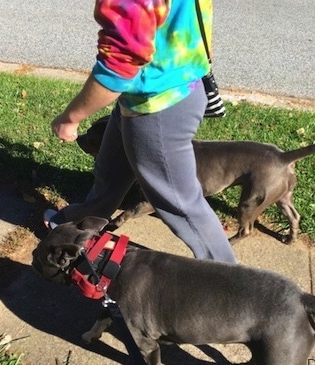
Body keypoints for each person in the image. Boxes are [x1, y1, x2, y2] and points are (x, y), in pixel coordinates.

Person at [45, 0, 237, 264]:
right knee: (111, 168)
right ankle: (83, 224)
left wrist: (70, 117)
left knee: (182, 207)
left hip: (160, 105)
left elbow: (116, 70)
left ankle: (229, 283)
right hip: (167, 85)